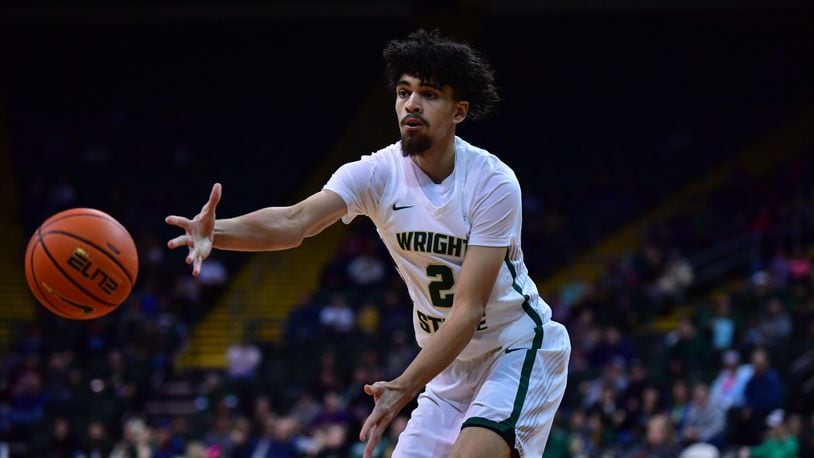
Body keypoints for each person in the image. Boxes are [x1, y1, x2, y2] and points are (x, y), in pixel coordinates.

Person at [166, 29, 571, 458]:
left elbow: (469, 311)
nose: (411, 104)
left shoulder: (492, 182)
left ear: (459, 111)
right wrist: (218, 232)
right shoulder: (377, 173)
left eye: (429, 94)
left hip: (516, 347)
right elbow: (294, 221)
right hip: (448, 366)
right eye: (403, 92)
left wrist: (403, 386)